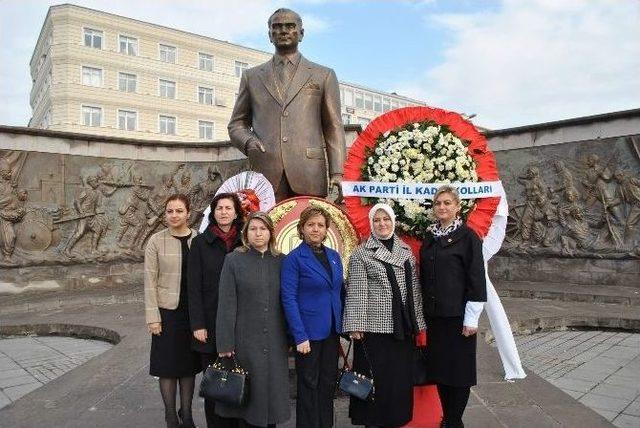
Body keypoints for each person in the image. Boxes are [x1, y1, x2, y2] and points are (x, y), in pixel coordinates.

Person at [228, 8, 346, 201]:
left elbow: (333, 126)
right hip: (265, 173)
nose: (283, 31)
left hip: (309, 172)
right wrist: (249, 141)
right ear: (269, 35)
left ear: (301, 33)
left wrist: (338, 173)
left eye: (290, 26)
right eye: (277, 27)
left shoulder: (323, 75)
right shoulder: (252, 77)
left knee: (311, 229)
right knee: (265, 230)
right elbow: (236, 124)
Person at [343, 203, 426, 428]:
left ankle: (396, 421)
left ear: (393, 221)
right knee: (375, 382)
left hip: (402, 331)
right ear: (371, 224)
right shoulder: (362, 253)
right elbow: (357, 291)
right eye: (377, 220)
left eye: (386, 219)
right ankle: (373, 422)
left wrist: (419, 325)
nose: (382, 224)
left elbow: (414, 291)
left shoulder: (405, 251)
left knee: (398, 383)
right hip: (374, 331)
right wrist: (355, 325)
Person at [419, 186, 487, 428]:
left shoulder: (469, 237)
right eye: (438, 203)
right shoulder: (430, 237)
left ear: (458, 207)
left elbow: (476, 279)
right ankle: (447, 419)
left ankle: (454, 421)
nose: (442, 207)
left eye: (448, 203)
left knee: (459, 374)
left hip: (459, 319)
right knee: (441, 372)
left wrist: (472, 318)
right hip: (436, 319)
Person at [216, 212, 291, 427]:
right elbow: (226, 304)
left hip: (275, 341)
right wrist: (225, 343)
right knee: (249, 401)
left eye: (263, 229)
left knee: (271, 400)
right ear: (245, 233)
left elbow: (288, 300)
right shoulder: (233, 260)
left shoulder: (281, 261)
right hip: (245, 341)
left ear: (271, 232)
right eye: (253, 229)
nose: (258, 234)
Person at [281, 206, 344, 428]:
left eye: (320, 225)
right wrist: (299, 336)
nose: (315, 229)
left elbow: (337, 291)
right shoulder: (293, 259)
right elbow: (288, 299)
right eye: (311, 225)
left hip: (331, 332)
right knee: (309, 385)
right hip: (307, 335)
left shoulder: (334, 256)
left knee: (327, 384)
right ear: (301, 228)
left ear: (326, 229)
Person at [187, 193, 244, 428]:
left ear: (236, 212)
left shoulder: (245, 240)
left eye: (228, 208)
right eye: (219, 208)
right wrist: (198, 325)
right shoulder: (201, 242)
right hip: (209, 324)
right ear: (213, 212)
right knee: (215, 382)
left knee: (239, 380)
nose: (223, 212)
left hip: (240, 323)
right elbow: (193, 286)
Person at [144, 194, 201, 428]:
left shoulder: (198, 239)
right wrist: (152, 318)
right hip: (167, 314)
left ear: (188, 213)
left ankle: (186, 414)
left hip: (193, 314)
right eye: (170, 211)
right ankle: (170, 415)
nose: (174, 215)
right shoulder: (156, 241)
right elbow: (149, 280)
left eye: (179, 211)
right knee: (167, 366)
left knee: (188, 366)